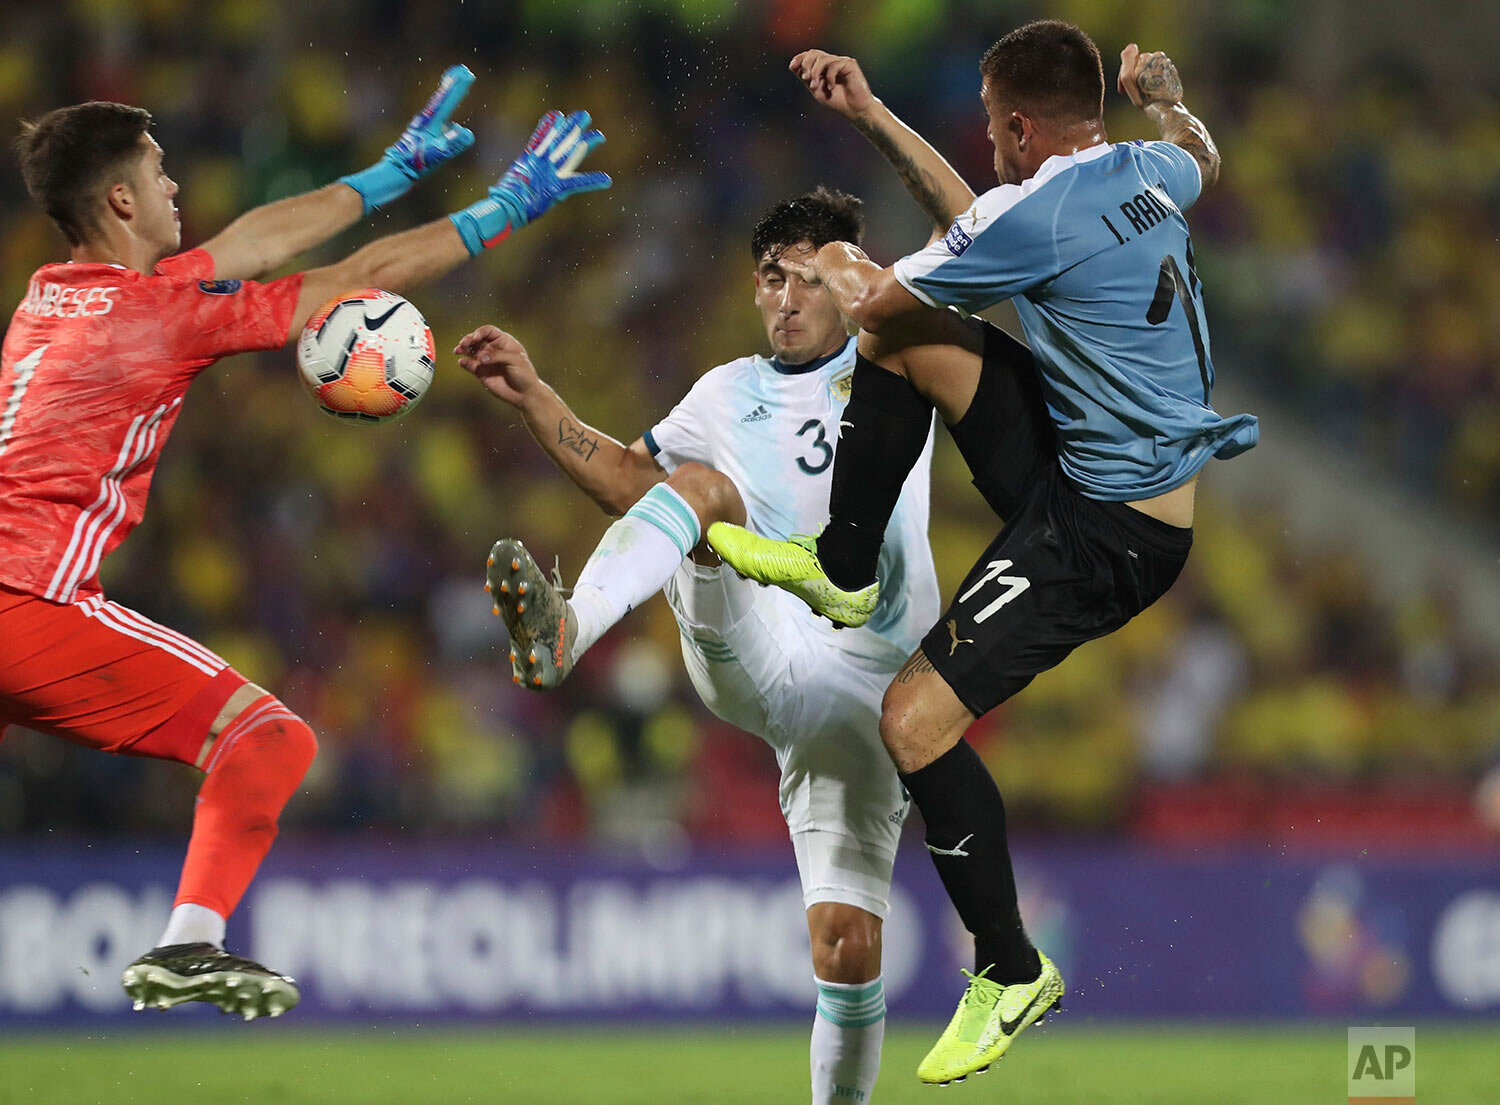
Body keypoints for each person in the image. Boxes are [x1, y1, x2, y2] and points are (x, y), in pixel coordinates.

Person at [709, 26, 1258, 1084]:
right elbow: (1200, 151)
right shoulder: (1147, 167)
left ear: (1013, 125)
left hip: (1109, 534)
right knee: (908, 344)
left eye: (990, 120)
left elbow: (878, 292)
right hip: (1094, 469)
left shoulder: (1033, 210)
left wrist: (829, 257)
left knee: (912, 719)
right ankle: (846, 565)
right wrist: (873, 114)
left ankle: (1010, 968)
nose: (988, 139)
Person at [0, 67, 609, 1020]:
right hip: (29, 603)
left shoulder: (56, 294)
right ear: (120, 197)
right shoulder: (159, 315)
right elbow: (341, 286)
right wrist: (500, 209)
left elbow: (248, 242)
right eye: (157, 173)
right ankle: (189, 943)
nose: (173, 187)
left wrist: (387, 174)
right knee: (268, 738)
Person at [455, 181, 956, 1105]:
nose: (789, 297)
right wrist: (532, 394)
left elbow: (962, 226)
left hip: (878, 689)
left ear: (850, 283)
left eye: (811, 278)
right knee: (696, 493)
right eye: (773, 278)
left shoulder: (901, 356)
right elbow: (626, 481)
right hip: (760, 645)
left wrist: (879, 122)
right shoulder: (727, 393)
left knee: (847, 947)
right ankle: (566, 630)